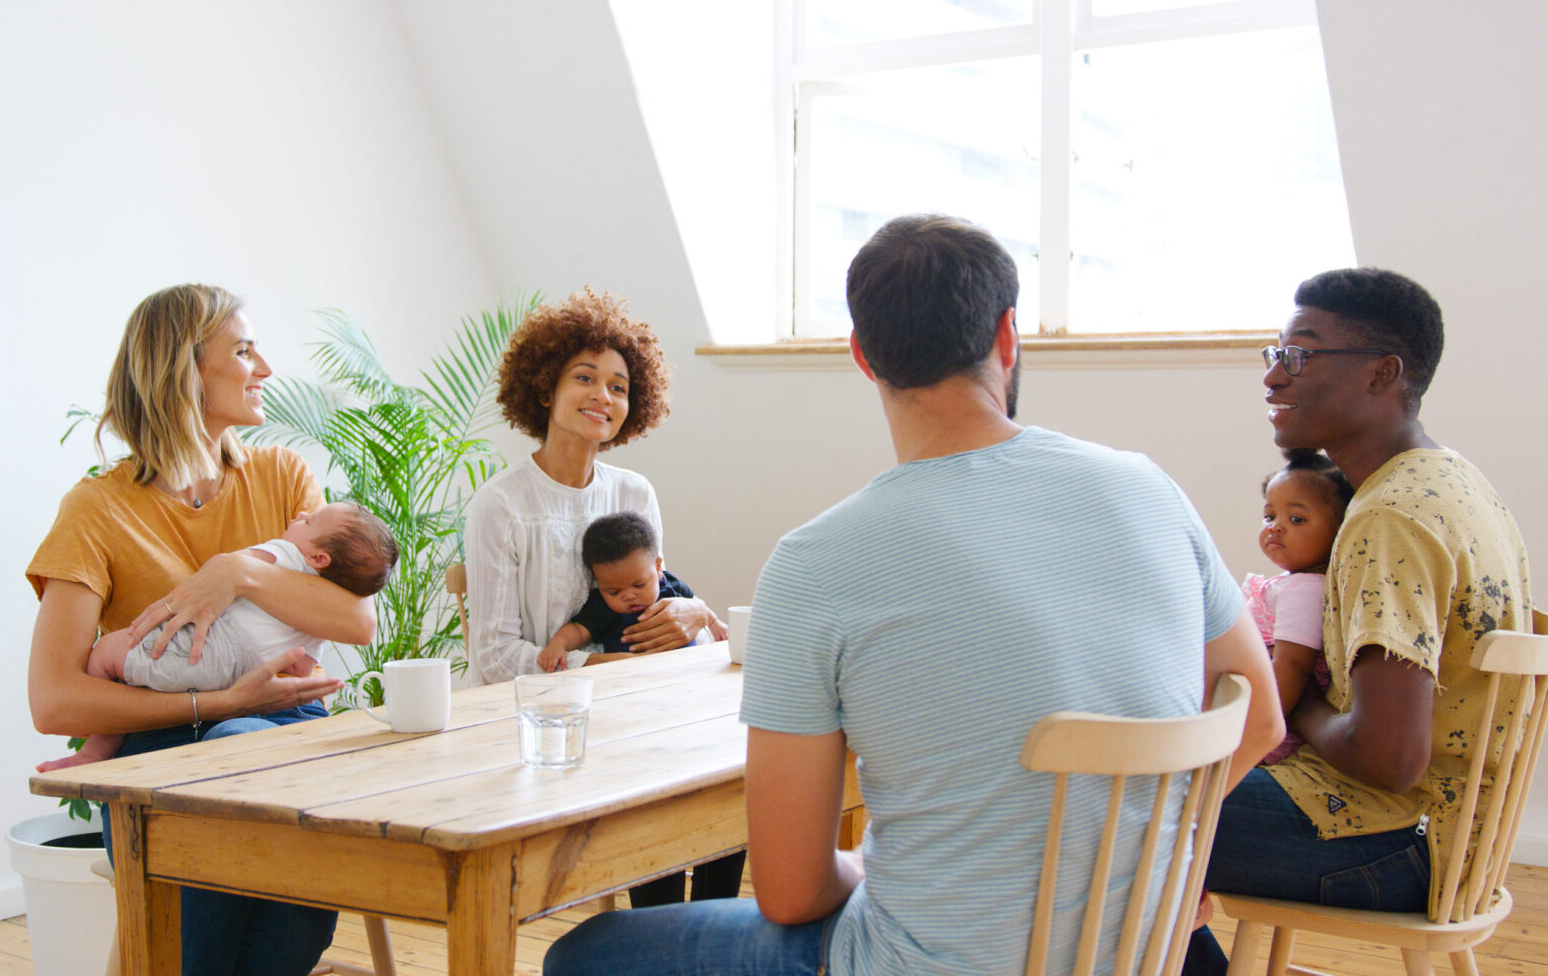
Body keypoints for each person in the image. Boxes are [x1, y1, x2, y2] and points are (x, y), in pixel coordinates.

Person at [543, 214, 1282, 976]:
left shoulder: (814, 562)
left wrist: (866, 868)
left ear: (863, 354)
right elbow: (1259, 714)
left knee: (585, 955)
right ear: (1007, 337)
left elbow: (792, 892)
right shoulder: (1148, 488)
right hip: (1146, 951)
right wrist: (1169, 854)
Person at [1185, 268, 1540, 974]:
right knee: (1144, 801)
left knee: (1106, 815)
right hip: (1457, 838)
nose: (1274, 379)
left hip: (1394, 839)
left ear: (1383, 374)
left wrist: (1296, 694)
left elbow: (1388, 758)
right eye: (1274, 356)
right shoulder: (1454, 479)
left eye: (1300, 355)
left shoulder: (1388, 516)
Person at [26, 284, 377, 976]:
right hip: (163, 760)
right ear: (182, 370)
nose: (266, 369)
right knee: (220, 772)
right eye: (243, 350)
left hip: (283, 732)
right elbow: (55, 700)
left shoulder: (282, 475)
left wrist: (234, 574)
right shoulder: (96, 508)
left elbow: (355, 618)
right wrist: (217, 704)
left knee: (289, 939)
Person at [463, 288, 741, 907]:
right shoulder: (501, 504)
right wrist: (599, 670)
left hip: (642, 707)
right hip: (546, 723)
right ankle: (661, 932)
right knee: (664, 772)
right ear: (544, 388)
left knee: (733, 762)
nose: (603, 397)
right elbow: (491, 657)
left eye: (618, 386)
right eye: (585, 378)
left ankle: (707, 931)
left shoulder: (634, 492)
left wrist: (694, 611)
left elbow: (654, 592)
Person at [38, 501, 397, 772]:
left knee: (108, 653)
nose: (301, 514)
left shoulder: (284, 547)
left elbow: (361, 624)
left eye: (309, 521)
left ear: (320, 558)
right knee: (238, 742)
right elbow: (302, 667)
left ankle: (93, 753)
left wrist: (235, 569)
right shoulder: (317, 600)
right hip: (249, 683)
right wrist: (227, 701)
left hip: (208, 655)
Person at [1243, 450, 1351, 765]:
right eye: (1269, 516)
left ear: (1339, 531)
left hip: (1257, 728)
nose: (1276, 527)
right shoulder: (1293, 585)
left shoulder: (1306, 591)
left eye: (1297, 519)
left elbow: (1292, 667)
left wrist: (1249, 737)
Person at [537, 511, 697, 673]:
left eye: (639, 585)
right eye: (613, 592)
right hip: (632, 679)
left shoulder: (670, 585)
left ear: (657, 567)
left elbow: (696, 607)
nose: (628, 596)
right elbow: (578, 630)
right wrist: (558, 643)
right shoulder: (603, 607)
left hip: (686, 671)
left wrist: (714, 624)